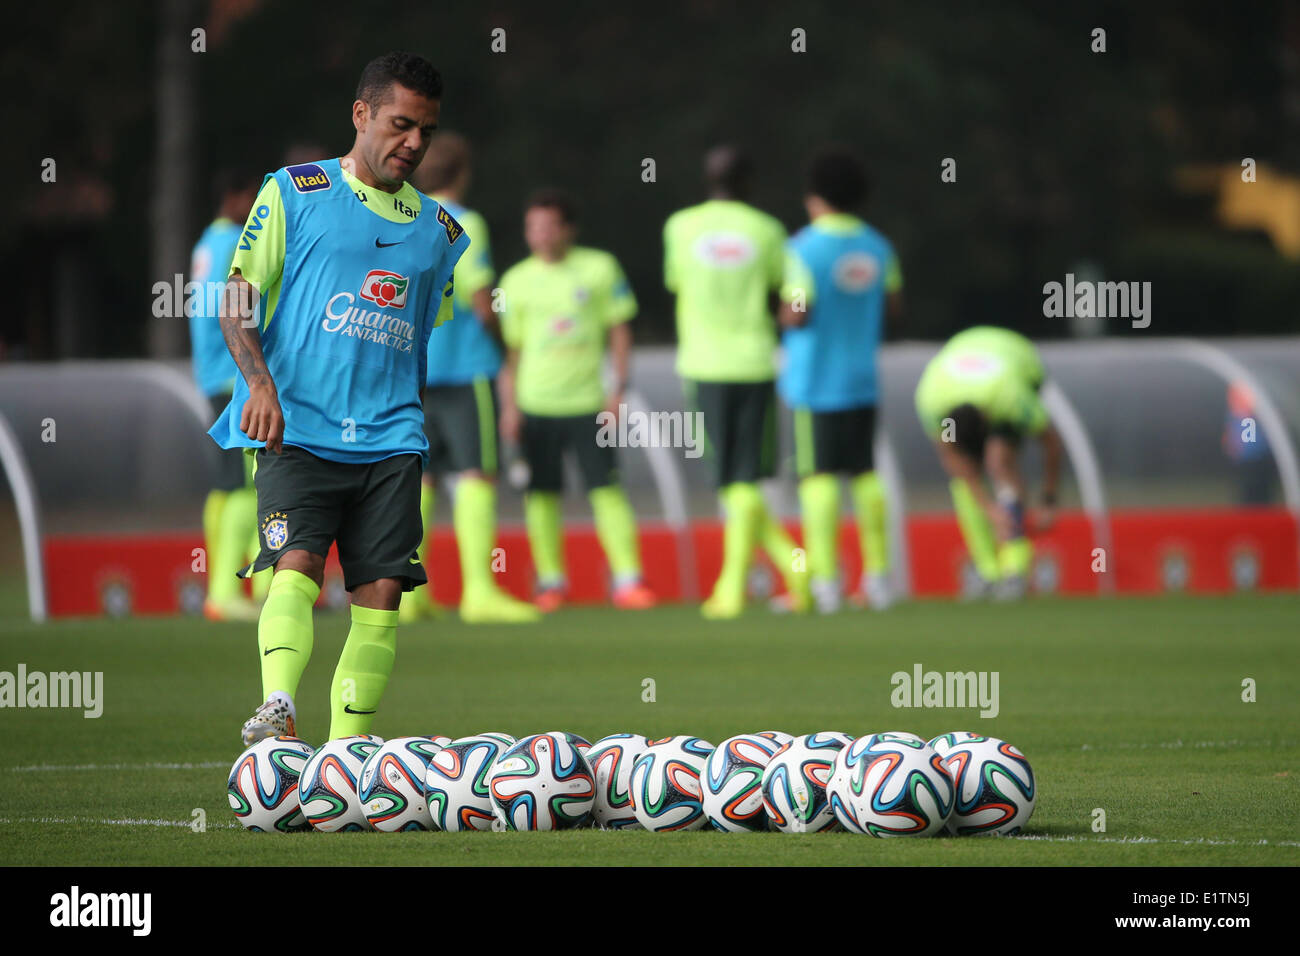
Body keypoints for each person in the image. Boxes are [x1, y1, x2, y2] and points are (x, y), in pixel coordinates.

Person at [211, 52, 469, 744]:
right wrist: (259, 383)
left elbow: (416, 339)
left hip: (391, 440)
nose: (414, 142)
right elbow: (236, 295)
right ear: (362, 115)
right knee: (294, 564)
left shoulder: (442, 233)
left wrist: (413, 429)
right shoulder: (293, 192)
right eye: (401, 124)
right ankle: (277, 706)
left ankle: (348, 751)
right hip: (296, 427)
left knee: (380, 595)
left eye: (426, 131)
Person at [662, 146, 810, 619]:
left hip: (705, 365)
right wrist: (785, 317)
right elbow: (797, 297)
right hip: (756, 363)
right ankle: (792, 565)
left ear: (706, 180)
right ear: (748, 183)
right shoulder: (767, 230)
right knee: (742, 479)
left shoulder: (680, 227)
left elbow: (676, 283)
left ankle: (734, 585)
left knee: (730, 478)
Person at [401, 132, 539, 624]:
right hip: (465, 369)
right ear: (464, 172)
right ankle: (479, 591)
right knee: (477, 473)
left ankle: (409, 592)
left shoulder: (403, 212)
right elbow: (482, 300)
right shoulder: (466, 219)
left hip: (413, 370)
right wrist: (506, 344)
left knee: (421, 478)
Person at [497, 189, 657, 612]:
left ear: (569, 229)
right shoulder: (515, 281)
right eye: (533, 227)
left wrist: (619, 388)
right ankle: (551, 582)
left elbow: (620, 328)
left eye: (549, 226)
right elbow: (511, 352)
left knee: (606, 491)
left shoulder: (600, 268)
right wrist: (510, 406)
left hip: (590, 403)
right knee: (541, 495)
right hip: (536, 404)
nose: (541, 235)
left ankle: (628, 579)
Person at [776, 146, 901, 612]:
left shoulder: (802, 248)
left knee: (818, 478)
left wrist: (778, 312)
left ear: (814, 197)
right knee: (866, 474)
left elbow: (799, 312)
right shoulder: (878, 246)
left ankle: (826, 582)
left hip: (814, 381)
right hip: (861, 378)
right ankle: (879, 579)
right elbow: (893, 307)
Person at [914, 326, 1062, 598]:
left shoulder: (1012, 399)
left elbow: (1051, 442)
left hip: (1019, 359)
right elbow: (953, 458)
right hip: (962, 361)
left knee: (999, 462)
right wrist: (988, 508)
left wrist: (1049, 498)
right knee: (963, 475)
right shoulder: (932, 401)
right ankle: (988, 571)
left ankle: (1015, 568)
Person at [190, 168, 263, 621]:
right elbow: (239, 307)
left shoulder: (206, 243)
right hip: (233, 372)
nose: (258, 208)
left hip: (210, 371)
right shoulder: (236, 243)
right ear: (235, 198)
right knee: (242, 484)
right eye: (253, 198)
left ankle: (219, 585)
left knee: (223, 483)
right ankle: (225, 590)